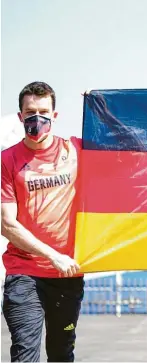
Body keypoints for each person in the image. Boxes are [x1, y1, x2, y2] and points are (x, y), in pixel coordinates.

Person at [1, 81, 83, 362]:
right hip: (24, 273)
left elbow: (122, 144)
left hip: (67, 275)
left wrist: (102, 107)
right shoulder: (7, 160)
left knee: (61, 354)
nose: (38, 119)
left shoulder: (76, 152)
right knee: (25, 355)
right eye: (30, 112)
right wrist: (53, 255)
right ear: (20, 116)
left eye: (44, 112)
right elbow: (7, 224)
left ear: (55, 116)